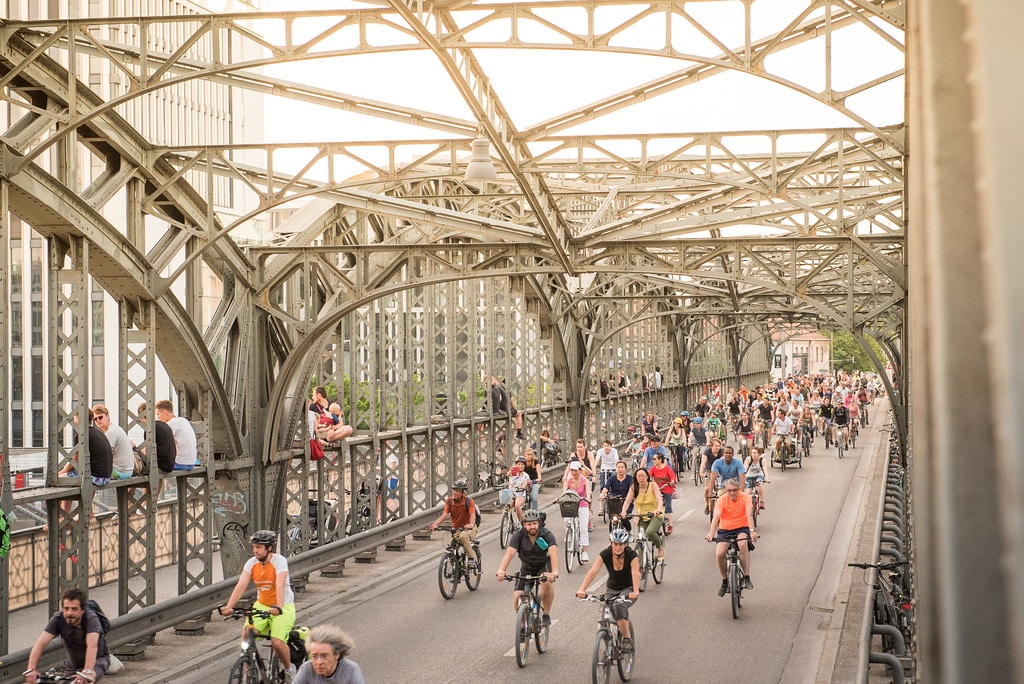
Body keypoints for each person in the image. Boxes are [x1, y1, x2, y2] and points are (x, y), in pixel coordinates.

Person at [219, 530, 297, 681]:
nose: (255, 550)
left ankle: (289, 669)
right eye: (254, 547)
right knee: (246, 635)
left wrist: (278, 607)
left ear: (269, 548)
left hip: (283, 607)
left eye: (259, 547)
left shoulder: (279, 561)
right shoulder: (252, 563)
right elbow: (241, 585)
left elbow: (279, 585)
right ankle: (249, 672)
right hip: (261, 605)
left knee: (277, 642)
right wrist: (229, 606)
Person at [24, 587, 109, 683]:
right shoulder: (58, 619)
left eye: (74, 609)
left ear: (82, 610)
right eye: (66, 608)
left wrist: (87, 671)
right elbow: (40, 644)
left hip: (96, 661)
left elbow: (92, 646)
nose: (69, 613)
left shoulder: (91, 619)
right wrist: (31, 668)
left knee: (85, 681)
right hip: (72, 665)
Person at [575, 528, 640, 652]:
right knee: (605, 616)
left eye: (620, 544)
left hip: (628, 588)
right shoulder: (605, 554)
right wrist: (582, 589)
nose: (617, 548)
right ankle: (609, 647)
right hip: (612, 589)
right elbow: (593, 571)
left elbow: (635, 573)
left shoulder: (632, 555)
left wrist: (635, 591)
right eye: (615, 544)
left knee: (618, 606)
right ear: (611, 543)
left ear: (625, 544)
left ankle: (626, 639)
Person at [496, 508, 559, 627]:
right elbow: (510, 553)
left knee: (546, 583)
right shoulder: (518, 536)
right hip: (526, 568)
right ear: (524, 525)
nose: (532, 527)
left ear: (539, 523)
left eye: (535, 523)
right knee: (517, 597)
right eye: (529, 524)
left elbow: (553, 552)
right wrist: (501, 570)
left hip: (543, 566)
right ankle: (523, 626)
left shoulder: (546, 534)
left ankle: (546, 613)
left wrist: (554, 572)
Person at [705, 477, 759, 594]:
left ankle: (746, 577)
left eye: (734, 490)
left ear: (739, 489)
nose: (732, 493)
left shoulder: (745, 497)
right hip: (725, 529)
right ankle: (724, 581)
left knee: (743, 544)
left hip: (742, 527)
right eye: (729, 490)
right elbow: (716, 517)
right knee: (719, 553)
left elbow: (749, 515)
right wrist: (711, 533)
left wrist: (752, 530)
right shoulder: (722, 500)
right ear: (725, 490)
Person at [429, 479, 480, 567]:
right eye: (454, 490)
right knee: (451, 548)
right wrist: (435, 524)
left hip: (469, 528)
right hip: (456, 529)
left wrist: (471, 524)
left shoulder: (469, 501)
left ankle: (471, 558)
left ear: (463, 493)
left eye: (458, 491)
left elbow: (472, 515)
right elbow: (444, 515)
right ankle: (455, 571)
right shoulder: (449, 501)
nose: (455, 493)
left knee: (463, 536)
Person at [58, 409, 113, 487]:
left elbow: (75, 460)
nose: (74, 421)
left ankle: (63, 499)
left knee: (58, 479)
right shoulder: (98, 432)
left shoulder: (82, 435)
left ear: (79, 418)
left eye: (75, 418)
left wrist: (62, 472)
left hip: (94, 478)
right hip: (105, 478)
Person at [294, 625, 365, 684]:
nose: (319, 662)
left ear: (336, 655)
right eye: (314, 656)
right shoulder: (306, 669)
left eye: (324, 656)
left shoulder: (351, 670)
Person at [621, 467, 665, 561]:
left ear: (647, 476)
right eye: (638, 476)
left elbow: (659, 499)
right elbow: (628, 501)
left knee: (649, 532)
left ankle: (660, 548)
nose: (641, 478)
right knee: (640, 540)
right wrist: (624, 511)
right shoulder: (633, 487)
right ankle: (641, 568)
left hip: (655, 515)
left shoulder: (652, 485)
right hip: (641, 516)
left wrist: (657, 510)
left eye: (643, 476)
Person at [91, 405, 133, 480]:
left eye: (100, 417)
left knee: (88, 475)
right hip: (127, 471)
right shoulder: (116, 428)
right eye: (95, 419)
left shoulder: (111, 433)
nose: (98, 420)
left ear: (107, 417)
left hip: (119, 472)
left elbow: (105, 456)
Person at [155, 399, 198, 470]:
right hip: (191, 463)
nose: (158, 417)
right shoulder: (183, 421)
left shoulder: (170, 425)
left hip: (180, 463)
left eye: (158, 414)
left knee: (152, 466)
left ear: (165, 412)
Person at [562, 460, 591, 562]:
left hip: (582, 504)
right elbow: (564, 492)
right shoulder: (568, 481)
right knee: (567, 521)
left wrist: (587, 498)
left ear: (579, 470)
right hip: (571, 505)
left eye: (575, 470)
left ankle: (584, 551)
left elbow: (588, 493)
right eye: (572, 470)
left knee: (583, 527)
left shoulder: (585, 481)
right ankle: (569, 533)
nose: (573, 472)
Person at [137, 402, 176, 475]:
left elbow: (146, 452)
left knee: (134, 471)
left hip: (160, 467)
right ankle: (154, 487)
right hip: (169, 465)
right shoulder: (164, 425)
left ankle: (129, 486)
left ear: (141, 417)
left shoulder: (149, 430)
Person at [648, 452, 677, 527]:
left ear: (660, 460)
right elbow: (648, 476)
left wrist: (672, 482)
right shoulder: (653, 468)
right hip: (657, 489)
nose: (653, 461)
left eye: (655, 459)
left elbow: (672, 477)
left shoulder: (667, 468)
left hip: (667, 489)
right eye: (652, 459)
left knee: (668, 506)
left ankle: (670, 524)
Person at [594, 438, 619, 516]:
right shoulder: (600, 451)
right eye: (605, 445)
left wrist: (617, 468)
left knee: (614, 482)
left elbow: (616, 460)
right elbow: (597, 460)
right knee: (602, 487)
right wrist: (593, 469)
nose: (606, 447)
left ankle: (614, 504)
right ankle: (601, 508)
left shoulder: (614, 451)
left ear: (610, 446)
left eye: (608, 446)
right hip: (604, 469)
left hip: (613, 468)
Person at [504, 456, 532, 522]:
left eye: (522, 464)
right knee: (507, 507)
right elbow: (508, 475)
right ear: (516, 465)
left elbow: (525, 483)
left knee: (517, 506)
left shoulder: (525, 475)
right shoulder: (514, 472)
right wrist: (510, 471)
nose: (520, 466)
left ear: (524, 466)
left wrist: (522, 487)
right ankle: (508, 522)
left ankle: (521, 522)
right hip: (511, 493)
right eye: (518, 464)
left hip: (520, 494)